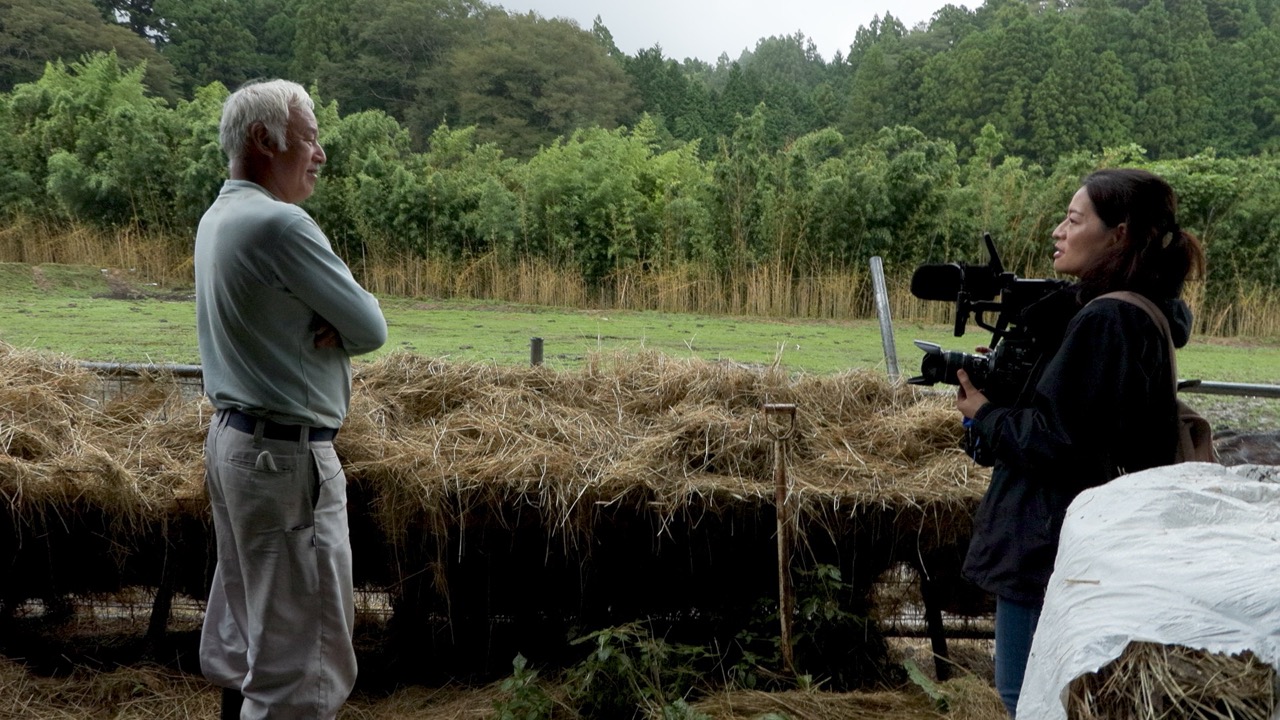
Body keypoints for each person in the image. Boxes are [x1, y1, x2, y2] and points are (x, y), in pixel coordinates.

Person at [955, 168, 1206, 717]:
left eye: (1074, 219)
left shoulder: (1110, 318)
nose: (1058, 232)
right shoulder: (1138, 308)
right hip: (1083, 540)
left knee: (1031, 699)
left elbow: (1059, 442)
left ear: (1119, 235)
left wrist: (986, 413)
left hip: (1051, 541)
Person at [195, 79, 388, 720]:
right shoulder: (281, 225)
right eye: (309, 137)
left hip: (236, 443)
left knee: (248, 631)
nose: (321, 153)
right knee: (302, 664)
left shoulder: (219, 216)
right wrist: (338, 322)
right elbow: (369, 327)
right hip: (284, 459)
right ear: (264, 139)